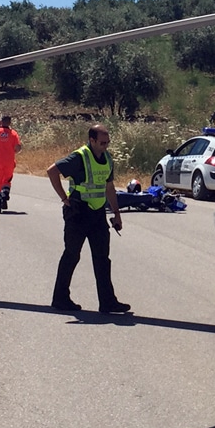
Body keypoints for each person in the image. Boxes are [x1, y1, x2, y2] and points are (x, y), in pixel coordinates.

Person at [46, 124, 131, 314]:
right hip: (77, 212)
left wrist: (116, 214)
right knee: (72, 255)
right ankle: (60, 298)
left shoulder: (107, 158)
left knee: (102, 258)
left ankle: (107, 302)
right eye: (102, 143)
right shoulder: (79, 157)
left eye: (107, 142)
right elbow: (52, 171)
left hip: (98, 213)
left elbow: (109, 187)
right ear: (91, 140)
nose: (105, 146)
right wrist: (63, 198)